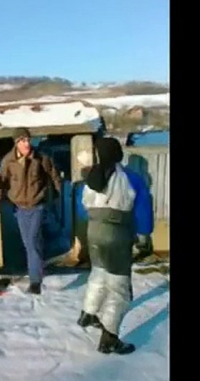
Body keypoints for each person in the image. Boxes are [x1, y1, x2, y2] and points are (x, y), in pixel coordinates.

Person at [76, 136, 154, 355]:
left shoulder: (91, 177)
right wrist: (144, 234)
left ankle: (88, 313)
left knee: (99, 272)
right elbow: (142, 208)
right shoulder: (131, 178)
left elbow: (83, 208)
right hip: (117, 235)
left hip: (94, 232)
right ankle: (109, 338)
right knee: (120, 289)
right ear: (118, 154)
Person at [0, 128, 62, 294]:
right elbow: (1, 182)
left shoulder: (41, 158)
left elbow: (53, 176)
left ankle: (35, 282)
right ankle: (38, 269)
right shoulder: (8, 161)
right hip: (19, 207)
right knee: (31, 243)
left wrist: (56, 196)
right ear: (16, 143)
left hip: (37, 205)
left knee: (31, 242)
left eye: (28, 140)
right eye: (22, 141)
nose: (26, 144)